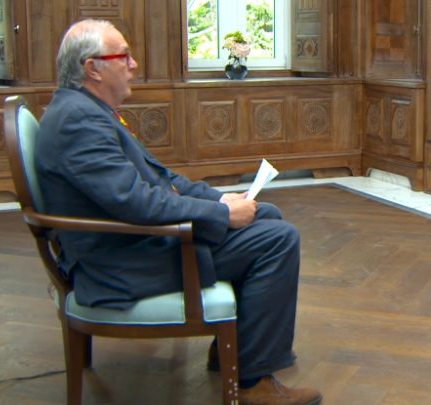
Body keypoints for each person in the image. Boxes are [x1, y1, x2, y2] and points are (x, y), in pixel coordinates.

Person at [36, 19, 321, 405]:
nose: (134, 64)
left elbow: (160, 178)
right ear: (93, 68)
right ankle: (253, 382)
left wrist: (219, 200)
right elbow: (136, 201)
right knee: (278, 240)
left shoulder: (85, 110)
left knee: (264, 213)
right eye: (124, 56)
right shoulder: (78, 121)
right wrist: (221, 216)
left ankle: (236, 351)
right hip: (122, 263)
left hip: (132, 243)